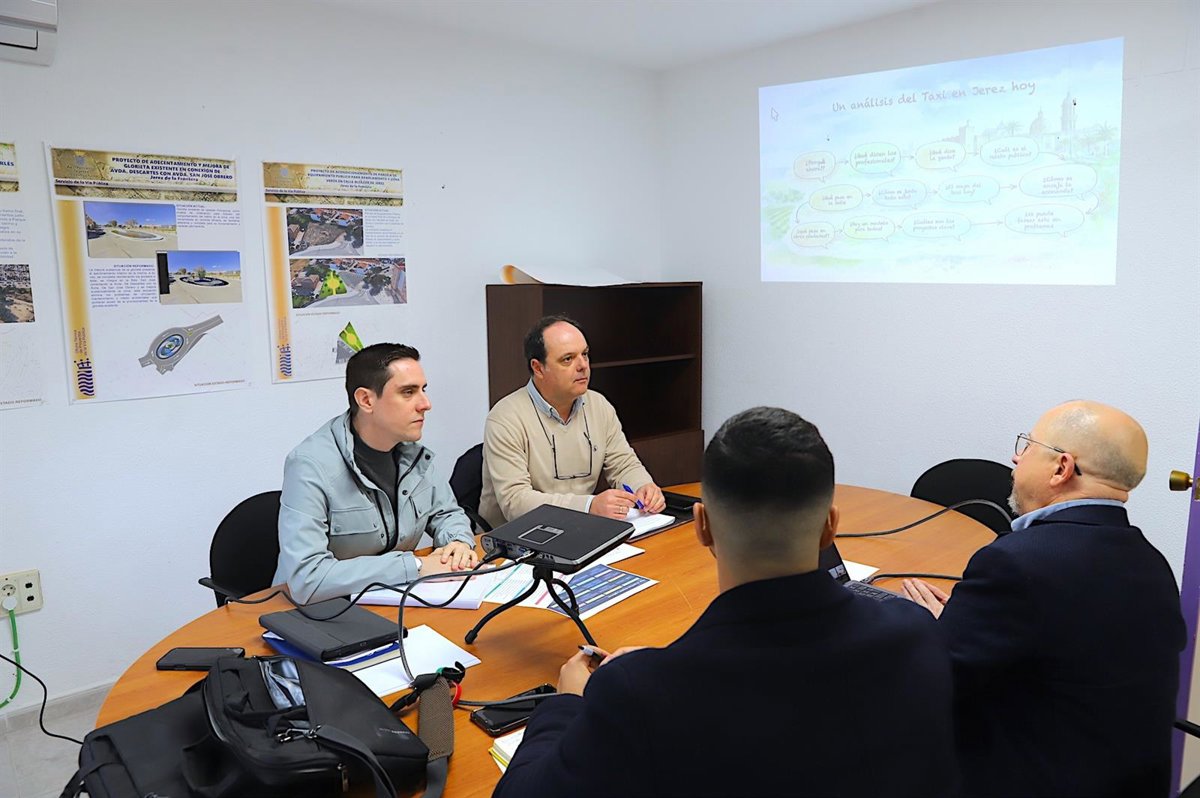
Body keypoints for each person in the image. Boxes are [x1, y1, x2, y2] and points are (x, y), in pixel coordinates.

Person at [493, 407, 958, 798]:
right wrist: (659, 668)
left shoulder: (642, 695)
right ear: (830, 527)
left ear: (702, 526)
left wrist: (565, 704)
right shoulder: (916, 634)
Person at [902, 400, 1185, 797]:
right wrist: (970, 622)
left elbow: (934, 685)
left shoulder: (1016, 561)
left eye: (1028, 445)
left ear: (1061, 468)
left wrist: (929, 628)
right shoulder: (1151, 561)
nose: (1016, 457)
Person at [273, 343, 478, 605]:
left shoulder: (412, 454)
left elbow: (447, 513)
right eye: (408, 392)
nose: (425, 404)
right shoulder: (309, 466)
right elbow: (307, 579)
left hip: (392, 599)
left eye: (423, 390)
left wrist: (458, 543)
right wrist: (414, 566)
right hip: (322, 609)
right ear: (366, 400)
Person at [479, 315, 666, 528]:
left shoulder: (598, 405)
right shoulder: (505, 418)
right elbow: (516, 502)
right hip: (517, 534)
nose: (583, 365)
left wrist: (643, 486)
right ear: (538, 368)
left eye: (584, 354)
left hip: (579, 527)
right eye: (567, 359)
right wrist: (588, 506)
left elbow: (623, 464)